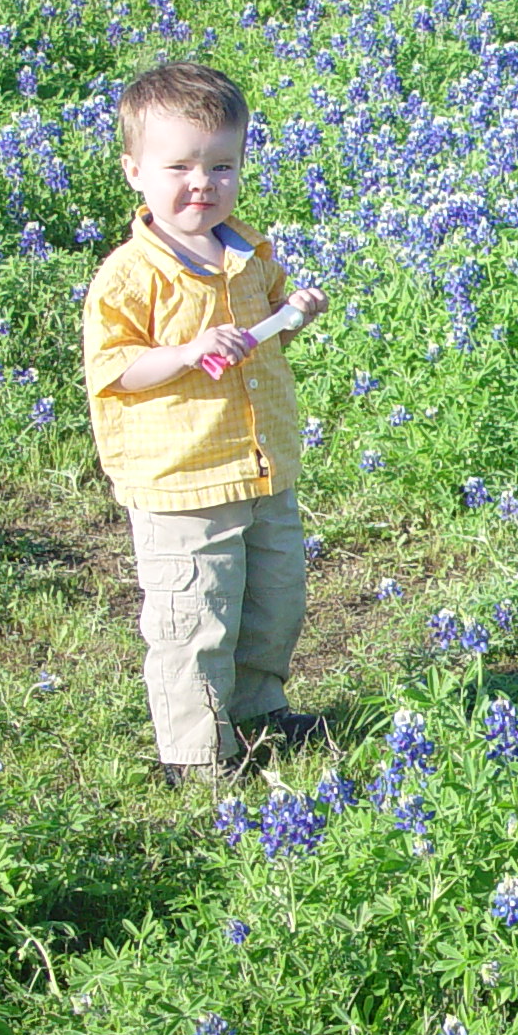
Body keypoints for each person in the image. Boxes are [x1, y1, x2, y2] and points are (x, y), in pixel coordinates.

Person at [81, 61, 329, 785]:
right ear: (134, 171)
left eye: (223, 165)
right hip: (182, 481)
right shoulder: (130, 275)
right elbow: (117, 368)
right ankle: (195, 754)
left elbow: (266, 334)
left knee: (271, 601)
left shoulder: (248, 255)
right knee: (195, 619)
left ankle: (256, 710)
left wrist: (295, 315)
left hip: (261, 465)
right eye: (180, 166)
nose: (203, 183)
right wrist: (185, 353)